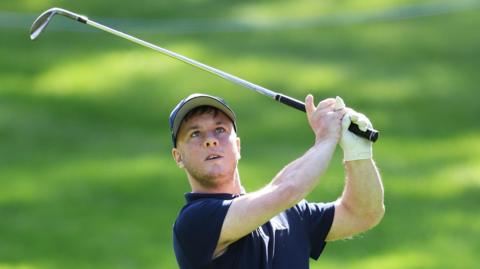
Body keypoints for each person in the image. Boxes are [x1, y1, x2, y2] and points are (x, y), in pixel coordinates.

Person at [169, 93, 384, 269]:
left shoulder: (289, 212)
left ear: (238, 145)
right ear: (178, 156)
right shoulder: (195, 221)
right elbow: (286, 189)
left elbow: (363, 213)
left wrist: (359, 154)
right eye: (195, 134)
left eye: (220, 130)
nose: (211, 140)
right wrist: (327, 138)